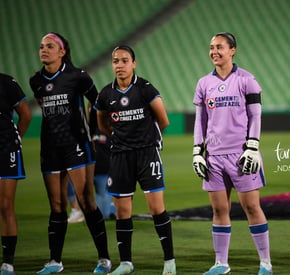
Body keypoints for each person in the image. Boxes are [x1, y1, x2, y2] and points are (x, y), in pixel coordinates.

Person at [29, 32, 111, 274]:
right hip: (50, 148)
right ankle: (55, 261)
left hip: (77, 144)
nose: (44, 50)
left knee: (87, 201)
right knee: (57, 205)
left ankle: (104, 259)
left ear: (62, 51)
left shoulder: (78, 77)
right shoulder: (36, 81)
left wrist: (95, 132)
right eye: (42, 46)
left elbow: (97, 102)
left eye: (50, 46)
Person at [192, 32, 273, 275]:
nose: (214, 51)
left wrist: (252, 146)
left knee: (251, 207)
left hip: (241, 156)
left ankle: (266, 263)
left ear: (232, 50)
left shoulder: (247, 79)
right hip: (213, 157)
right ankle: (221, 264)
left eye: (219, 47)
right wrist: (198, 151)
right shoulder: (203, 83)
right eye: (211, 47)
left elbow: (256, 116)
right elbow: (200, 120)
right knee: (219, 210)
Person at [95, 45, 176, 275]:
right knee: (122, 212)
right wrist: (118, 138)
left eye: (124, 60)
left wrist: (148, 138)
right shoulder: (105, 94)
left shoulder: (145, 88)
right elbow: (102, 123)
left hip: (146, 153)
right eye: (115, 61)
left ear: (134, 63)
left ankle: (169, 261)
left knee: (156, 208)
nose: (119, 65)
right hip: (120, 156)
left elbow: (163, 120)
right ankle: (126, 263)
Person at [0, 73, 32, 275]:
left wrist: (15, 139)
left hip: (6, 149)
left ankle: (8, 262)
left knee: (5, 205)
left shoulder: (6, 83)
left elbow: (26, 115)